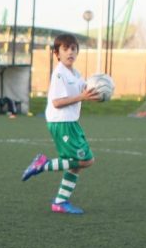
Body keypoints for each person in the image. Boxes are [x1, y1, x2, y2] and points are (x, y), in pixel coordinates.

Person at [20, 33, 100, 214]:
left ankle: (60, 202)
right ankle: (42, 165)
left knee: (76, 165)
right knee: (85, 160)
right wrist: (82, 96)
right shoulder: (59, 74)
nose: (70, 52)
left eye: (73, 48)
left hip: (71, 122)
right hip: (62, 122)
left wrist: (97, 91)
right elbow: (57, 102)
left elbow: (84, 90)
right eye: (65, 49)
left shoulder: (75, 73)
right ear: (57, 53)